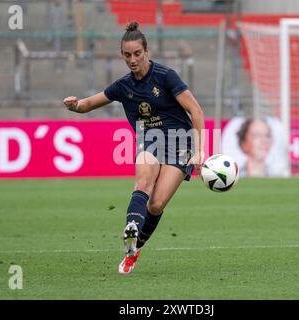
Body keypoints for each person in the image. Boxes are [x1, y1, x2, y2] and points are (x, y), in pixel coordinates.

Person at [63, 21, 205, 274]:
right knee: (143, 183)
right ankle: (131, 227)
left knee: (156, 205)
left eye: (137, 53)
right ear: (122, 56)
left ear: (146, 52)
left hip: (179, 142)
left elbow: (195, 110)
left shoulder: (166, 76)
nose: (132, 59)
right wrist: (75, 105)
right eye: (127, 55)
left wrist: (200, 149)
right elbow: (88, 104)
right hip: (150, 141)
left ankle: (134, 250)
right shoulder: (123, 86)